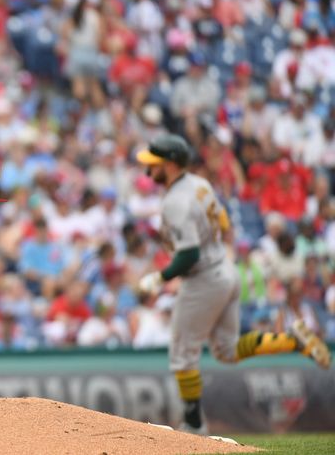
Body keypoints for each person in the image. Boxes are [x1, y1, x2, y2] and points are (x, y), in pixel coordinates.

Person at [135, 134, 331, 435]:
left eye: (155, 164)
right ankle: (292, 340)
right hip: (226, 272)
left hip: (202, 280)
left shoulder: (175, 201)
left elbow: (189, 254)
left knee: (182, 353)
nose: (149, 171)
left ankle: (194, 423)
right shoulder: (200, 184)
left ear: (171, 164)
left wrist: (160, 277)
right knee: (226, 350)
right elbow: (225, 223)